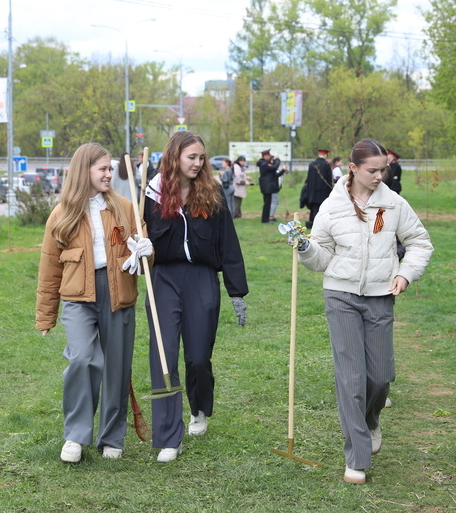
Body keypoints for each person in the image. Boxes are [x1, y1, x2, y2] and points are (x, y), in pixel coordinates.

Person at [281, 138, 433, 485]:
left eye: (384, 170)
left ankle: (371, 421)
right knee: (350, 378)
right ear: (353, 169)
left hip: (380, 296)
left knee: (379, 377)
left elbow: (420, 242)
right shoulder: (332, 206)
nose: (380, 176)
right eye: (373, 170)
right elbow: (321, 257)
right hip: (341, 296)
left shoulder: (394, 204)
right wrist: (305, 248)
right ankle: (356, 458)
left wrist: (405, 273)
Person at [35, 142, 153, 463]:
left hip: (119, 293)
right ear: (83, 171)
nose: (108, 174)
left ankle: (111, 437)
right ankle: (75, 436)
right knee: (82, 358)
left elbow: (144, 258)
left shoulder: (125, 208)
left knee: (117, 366)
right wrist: (46, 316)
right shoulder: (62, 214)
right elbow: (49, 269)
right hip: (78, 298)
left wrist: (146, 251)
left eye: (109, 168)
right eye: (102, 169)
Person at [144, 131, 249, 462]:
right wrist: (139, 247)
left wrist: (236, 292)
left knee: (198, 356)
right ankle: (168, 437)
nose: (198, 163)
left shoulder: (212, 192)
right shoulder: (152, 193)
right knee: (163, 356)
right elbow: (138, 233)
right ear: (174, 157)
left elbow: (228, 243)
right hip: (163, 279)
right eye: (192, 157)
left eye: (201, 157)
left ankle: (199, 407)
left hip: (202, 278)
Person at [305, 148, 334, 228]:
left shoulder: (312, 164)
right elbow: (329, 180)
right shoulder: (326, 165)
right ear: (325, 155)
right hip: (323, 191)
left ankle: (312, 222)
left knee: (314, 208)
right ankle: (320, 225)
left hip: (312, 191)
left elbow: (308, 179)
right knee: (322, 208)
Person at [257, 149, 286, 223]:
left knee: (268, 203)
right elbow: (274, 167)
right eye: (268, 156)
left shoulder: (265, 163)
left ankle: (266, 218)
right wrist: (277, 160)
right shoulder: (263, 163)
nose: (270, 157)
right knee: (267, 203)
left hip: (268, 186)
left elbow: (275, 173)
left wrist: (283, 169)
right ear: (265, 156)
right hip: (266, 187)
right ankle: (265, 219)